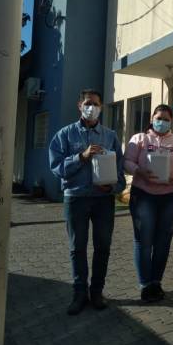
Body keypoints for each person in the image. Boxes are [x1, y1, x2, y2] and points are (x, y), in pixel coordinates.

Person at [49, 89, 125, 315]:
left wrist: (112, 187)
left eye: (96, 104)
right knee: (77, 248)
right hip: (76, 198)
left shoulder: (110, 136)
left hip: (103, 201)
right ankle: (79, 294)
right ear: (79, 105)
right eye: (88, 103)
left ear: (101, 107)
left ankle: (97, 292)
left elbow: (120, 173)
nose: (92, 107)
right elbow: (56, 168)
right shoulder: (65, 135)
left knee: (103, 247)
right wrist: (81, 157)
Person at [124, 104, 173, 302]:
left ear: (171, 122)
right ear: (152, 118)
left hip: (170, 196)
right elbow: (127, 161)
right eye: (158, 117)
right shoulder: (139, 139)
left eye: (166, 119)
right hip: (143, 195)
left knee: (163, 242)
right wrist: (138, 170)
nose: (161, 122)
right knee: (144, 241)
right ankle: (145, 284)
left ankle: (156, 282)